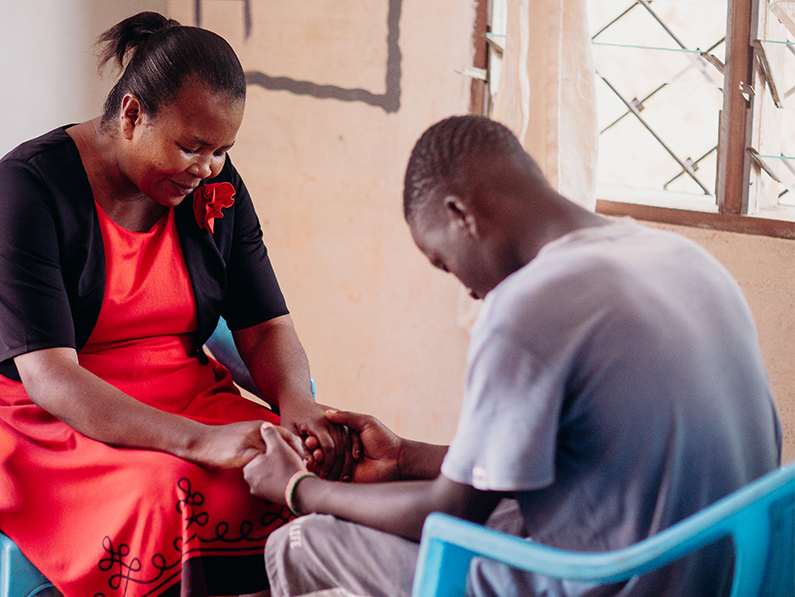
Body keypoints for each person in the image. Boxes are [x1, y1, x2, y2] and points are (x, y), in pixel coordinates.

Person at [242, 115, 783, 596]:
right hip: (729, 567)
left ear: (461, 215)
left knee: (305, 539)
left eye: (443, 262)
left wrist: (297, 487)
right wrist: (403, 455)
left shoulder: (527, 308)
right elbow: (556, 464)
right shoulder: (681, 258)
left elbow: (449, 512)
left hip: (619, 580)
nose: (468, 289)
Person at [0, 12, 352, 597]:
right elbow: (51, 378)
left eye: (222, 151)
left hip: (179, 388)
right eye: (192, 147)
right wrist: (199, 441)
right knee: (174, 495)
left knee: (299, 469)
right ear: (133, 114)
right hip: (46, 418)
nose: (209, 169)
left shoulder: (215, 186)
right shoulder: (25, 193)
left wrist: (295, 404)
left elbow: (265, 327)